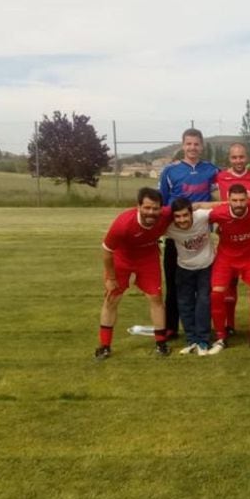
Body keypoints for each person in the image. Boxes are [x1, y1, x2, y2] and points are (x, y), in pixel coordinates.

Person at [94, 188, 174, 359]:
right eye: (147, 208)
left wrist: (224, 204)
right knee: (111, 299)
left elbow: (193, 207)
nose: (151, 212)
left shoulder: (166, 214)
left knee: (156, 298)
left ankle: (161, 343)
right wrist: (111, 278)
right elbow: (107, 251)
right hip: (122, 259)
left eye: (155, 208)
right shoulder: (123, 224)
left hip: (148, 259)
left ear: (161, 208)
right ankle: (104, 346)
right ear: (138, 206)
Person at [158, 128, 219, 340]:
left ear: (202, 146)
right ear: (183, 145)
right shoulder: (170, 171)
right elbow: (162, 205)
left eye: (196, 144)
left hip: (200, 236)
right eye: (189, 144)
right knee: (175, 284)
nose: (192, 148)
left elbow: (227, 188)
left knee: (204, 288)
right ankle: (171, 326)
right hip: (176, 235)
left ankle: (202, 328)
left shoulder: (211, 170)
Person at [208, 185, 250, 352]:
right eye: (234, 200)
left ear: (248, 199)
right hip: (226, 259)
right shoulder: (218, 213)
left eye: (242, 200)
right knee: (216, 295)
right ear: (228, 200)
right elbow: (199, 218)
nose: (238, 204)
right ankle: (221, 338)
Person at [215, 143, 250, 338]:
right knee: (228, 286)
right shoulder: (220, 176)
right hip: (227, 236)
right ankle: (229, 324)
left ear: (247, 157)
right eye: (234, 157)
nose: (238, 161)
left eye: (241, 157)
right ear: (229, 159)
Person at [164, 197, 216, 355]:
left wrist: (200, 204)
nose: (182, 220)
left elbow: (225, 206)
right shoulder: (169, 227)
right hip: (184, 269)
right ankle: (191, 339)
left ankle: (203, 341)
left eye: (185, 215)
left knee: (203, 303)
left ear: (191, 213)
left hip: (206, 267)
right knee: (185, 304)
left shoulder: (202, 216)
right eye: (177, 216)